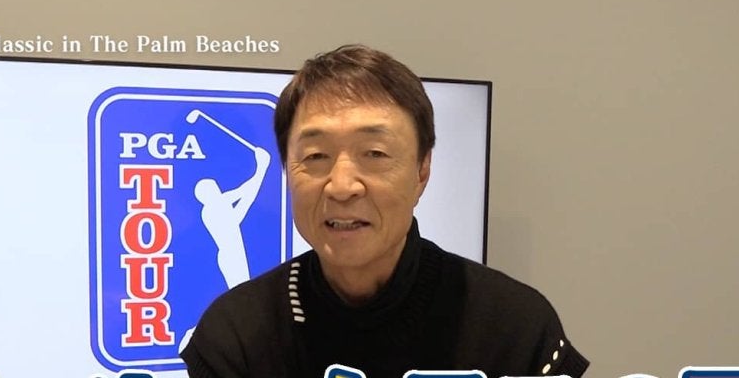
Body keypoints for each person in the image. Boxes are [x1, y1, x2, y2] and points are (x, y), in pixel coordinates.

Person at [180, 44, 589, 378]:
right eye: (316, 155)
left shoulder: (515, 324)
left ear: (422, 171)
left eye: (374, 153)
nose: (342, 186)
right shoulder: (236, 333)